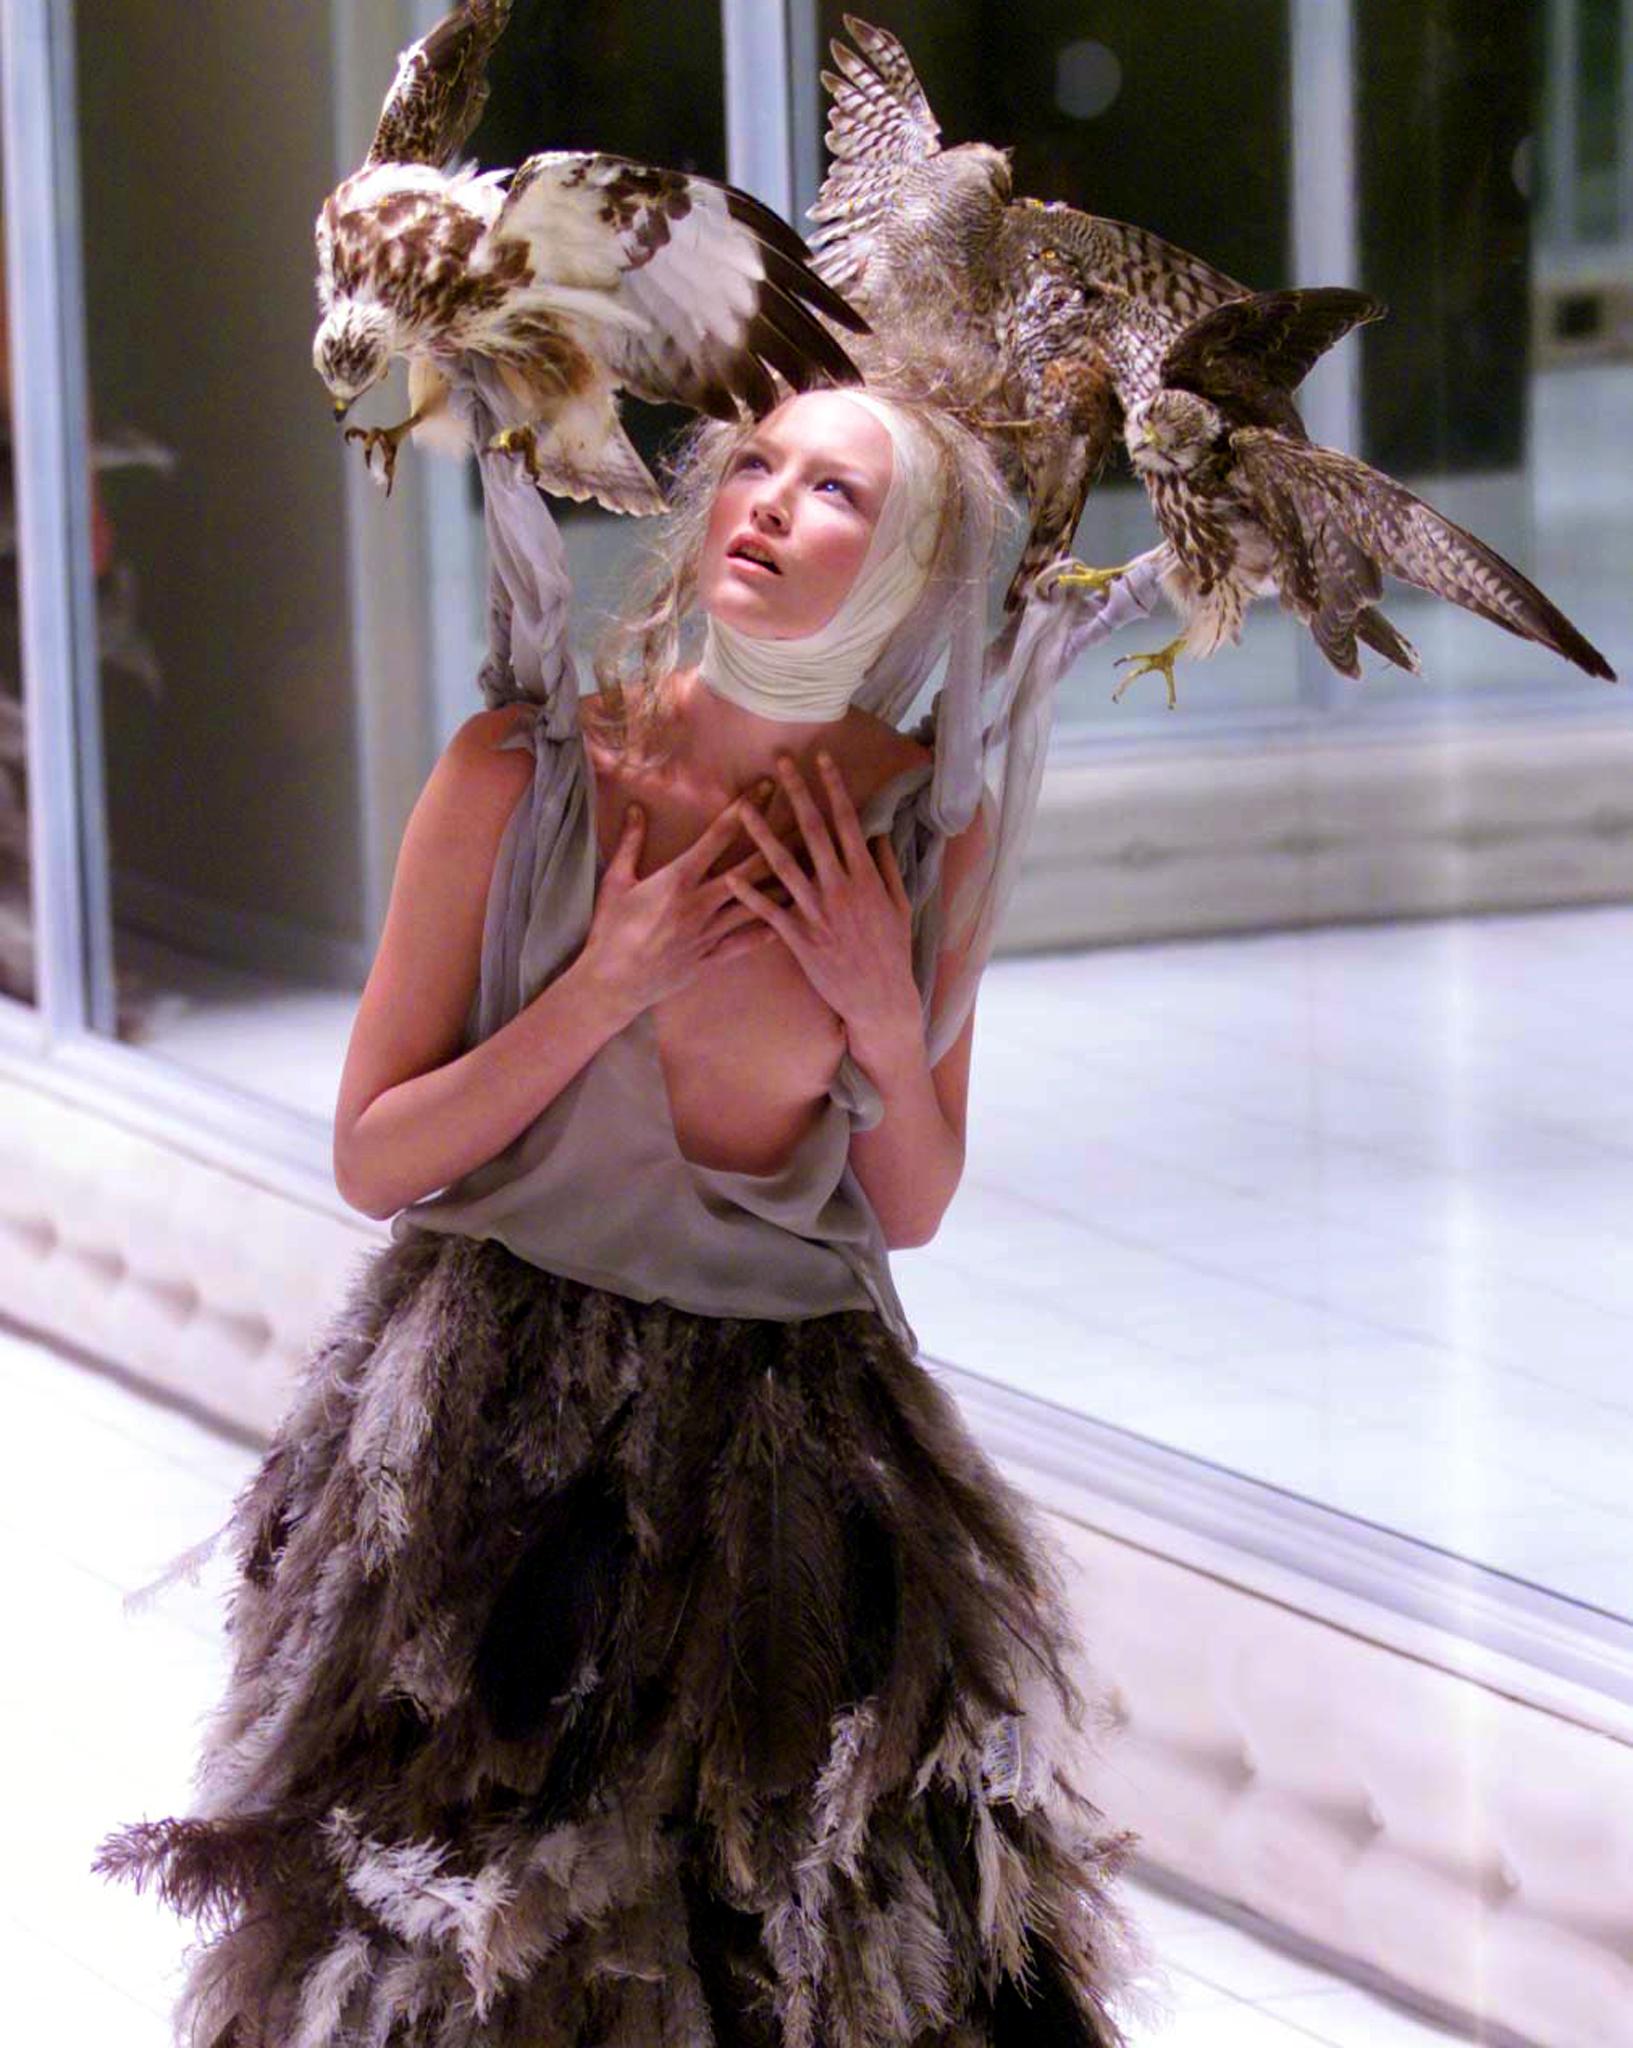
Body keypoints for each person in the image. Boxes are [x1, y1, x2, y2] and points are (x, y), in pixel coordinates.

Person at [96, 364, 1170, 2048]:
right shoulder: (526, 775)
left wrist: (880, 1013)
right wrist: (603, 985)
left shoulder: (924, 836)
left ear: (907, 573)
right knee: (461, 1941)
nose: (766, 501)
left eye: (836, 492)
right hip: (487, 1439)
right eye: (755, 460)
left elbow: (912, 1202)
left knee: (798, 1948)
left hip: (789, 1460)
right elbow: (377, 1155)